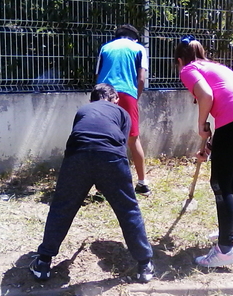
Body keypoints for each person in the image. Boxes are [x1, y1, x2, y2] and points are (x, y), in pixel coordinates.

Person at [30, 83, 154, 283]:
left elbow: (79, 137)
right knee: (128, 209)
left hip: (77, 156)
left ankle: (43, 262)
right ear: (116, 100)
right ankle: (144, 264)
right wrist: (106, 178)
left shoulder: (83, 110)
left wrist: (90, 175)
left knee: (62, 207)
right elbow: (120, 146)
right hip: (111, 157)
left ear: (91, 100)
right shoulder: (122, 113)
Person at [174, 35, 233, 268]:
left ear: (179, 60)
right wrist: (211, 145)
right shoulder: (213, 66)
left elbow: (206, 95)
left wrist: (201, 124)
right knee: (231, 177)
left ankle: (224, 251)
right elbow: (226, 107)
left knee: (220, 183)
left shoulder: (189, 69)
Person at [96, 24, 151, 196]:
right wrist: (135, 98)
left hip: (103, 92)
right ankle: (142, 184)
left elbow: (97, 75)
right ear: (134, 37)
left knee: (103, 139)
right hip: (127, 94)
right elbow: (141, 78)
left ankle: (101, 188)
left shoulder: (105, 48)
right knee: (133, 139)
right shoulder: (138, 48)